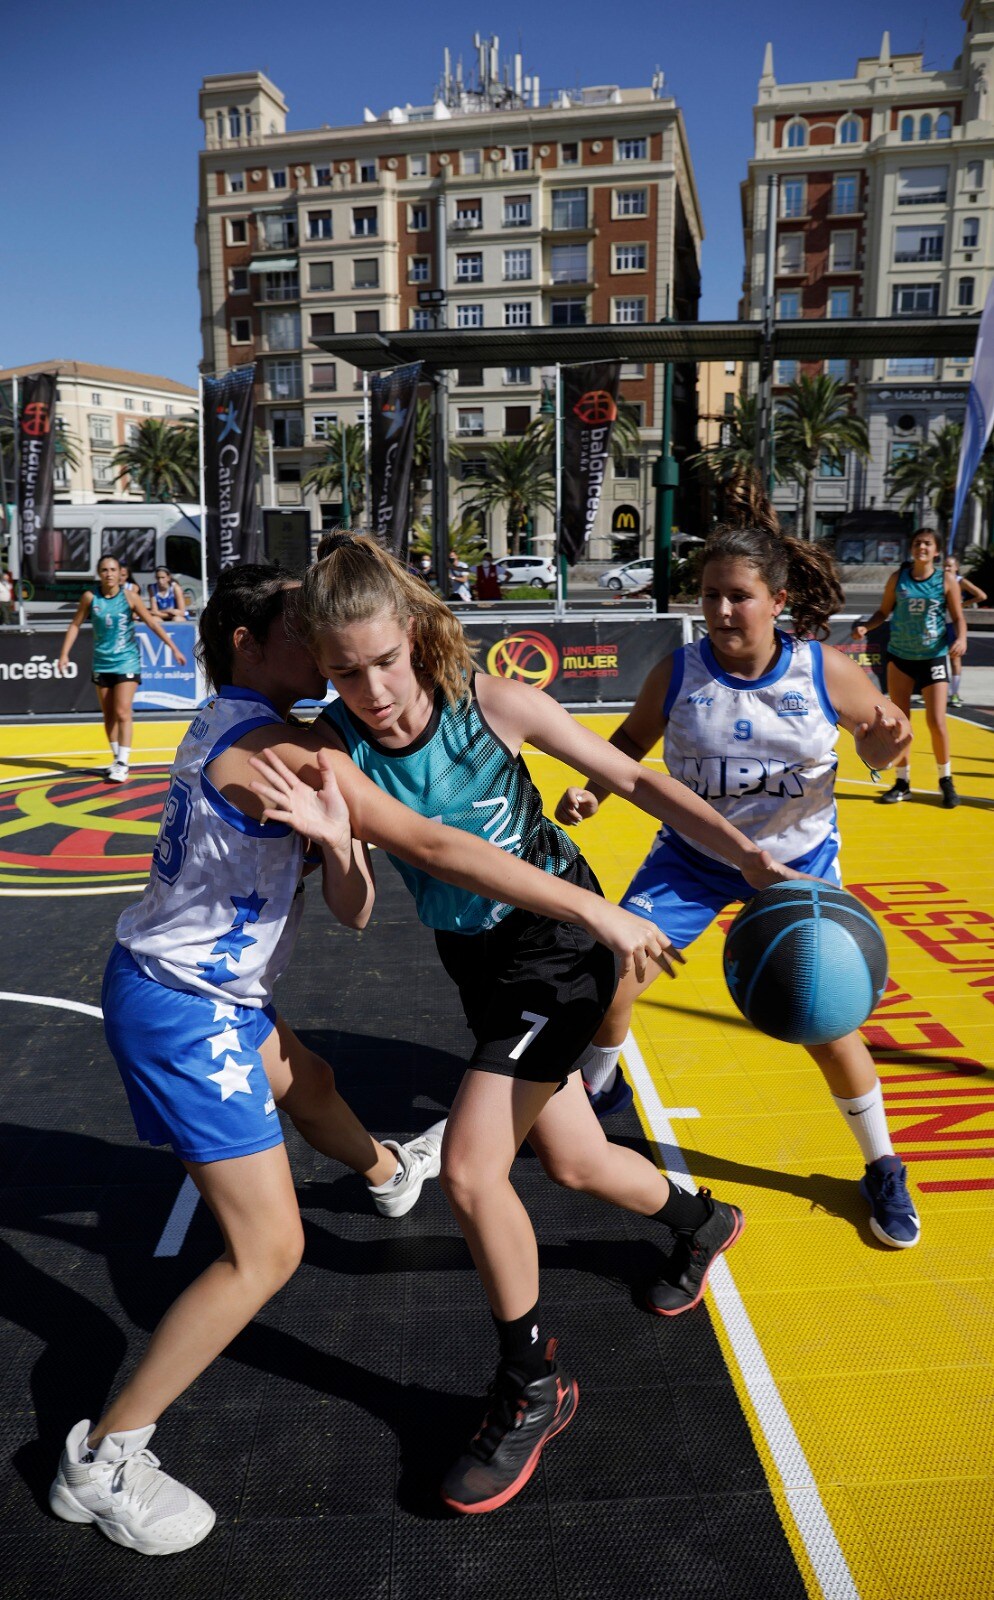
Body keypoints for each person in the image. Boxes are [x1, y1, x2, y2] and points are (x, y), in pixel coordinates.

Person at [49, 563, 673, 1555]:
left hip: (200, 987)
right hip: (187, 1011)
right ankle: (105, 1458)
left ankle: (387, 1170)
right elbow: (428, 843)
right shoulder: (289, 750)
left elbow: (356, 901)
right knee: (269, 1251)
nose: (334, 661)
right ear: (253, 644)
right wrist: (592, 904)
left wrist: (341, 850)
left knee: (315, 1082)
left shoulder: (229, 715)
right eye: (310, 639)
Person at [292, 533, 798, 1515]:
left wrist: (744, 856)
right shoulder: (332, 746)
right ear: (323, 666)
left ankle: (532, 1387)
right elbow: (354, 911)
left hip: (562, 941)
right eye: (346, 671)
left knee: (477, 1169)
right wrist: (336, 847)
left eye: (385, 662)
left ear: (412, 634)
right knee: (571, 1158)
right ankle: (705, 1222)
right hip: (478, 960)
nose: (374, 689)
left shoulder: (495, 706)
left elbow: (639, 782)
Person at [555, 522, 920, 1253]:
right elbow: (629, 743)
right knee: (615, 973)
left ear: (777, 600)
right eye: (712, 595)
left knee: (830, 1022)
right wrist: (595, 788)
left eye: (740, 596)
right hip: (693, 859)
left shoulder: (824, 671)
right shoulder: (680, 671)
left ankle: (883, 1164)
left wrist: (883, 747)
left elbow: (880, 742)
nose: (723, 610)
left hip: (796, 866)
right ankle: (598, 1085)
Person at [854, 528, 966, 808]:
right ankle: (902, 782)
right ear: (912, 549)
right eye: (917, 543)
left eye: (928, 543)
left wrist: (962, 638)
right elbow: (883, 612)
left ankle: (945, 780)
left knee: (936, 721)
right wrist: (867, 626)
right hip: (901, 657)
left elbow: (958, 617)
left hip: (933, 656)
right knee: (901, 723)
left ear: (936, 551)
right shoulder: (898, 578)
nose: (922, 547)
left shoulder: (945, 580)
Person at [57, 555, 187, 782]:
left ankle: (123, 761)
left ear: (120, 573)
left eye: (113, 569)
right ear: (99, 573)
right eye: (104, 570)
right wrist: (64, 654)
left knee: (122, 711)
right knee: (108, 715)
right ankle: (117, 757)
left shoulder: (129, 597)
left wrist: (173, 647)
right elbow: (75, 624)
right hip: (102, 662)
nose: (109, 574)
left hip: (127, 661)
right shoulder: (90, 597)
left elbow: (152, 623)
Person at [944, 553, 987, 707]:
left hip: (953, 624)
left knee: (955, 659)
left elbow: (982, 595)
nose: (947, 568)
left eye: (950, 565)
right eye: (944, 566)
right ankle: (929, 692)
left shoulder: (960, 581)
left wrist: (962, 604)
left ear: (956, 567)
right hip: (938, 623)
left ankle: (954, 694)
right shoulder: (937, 580)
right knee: (933, 658)